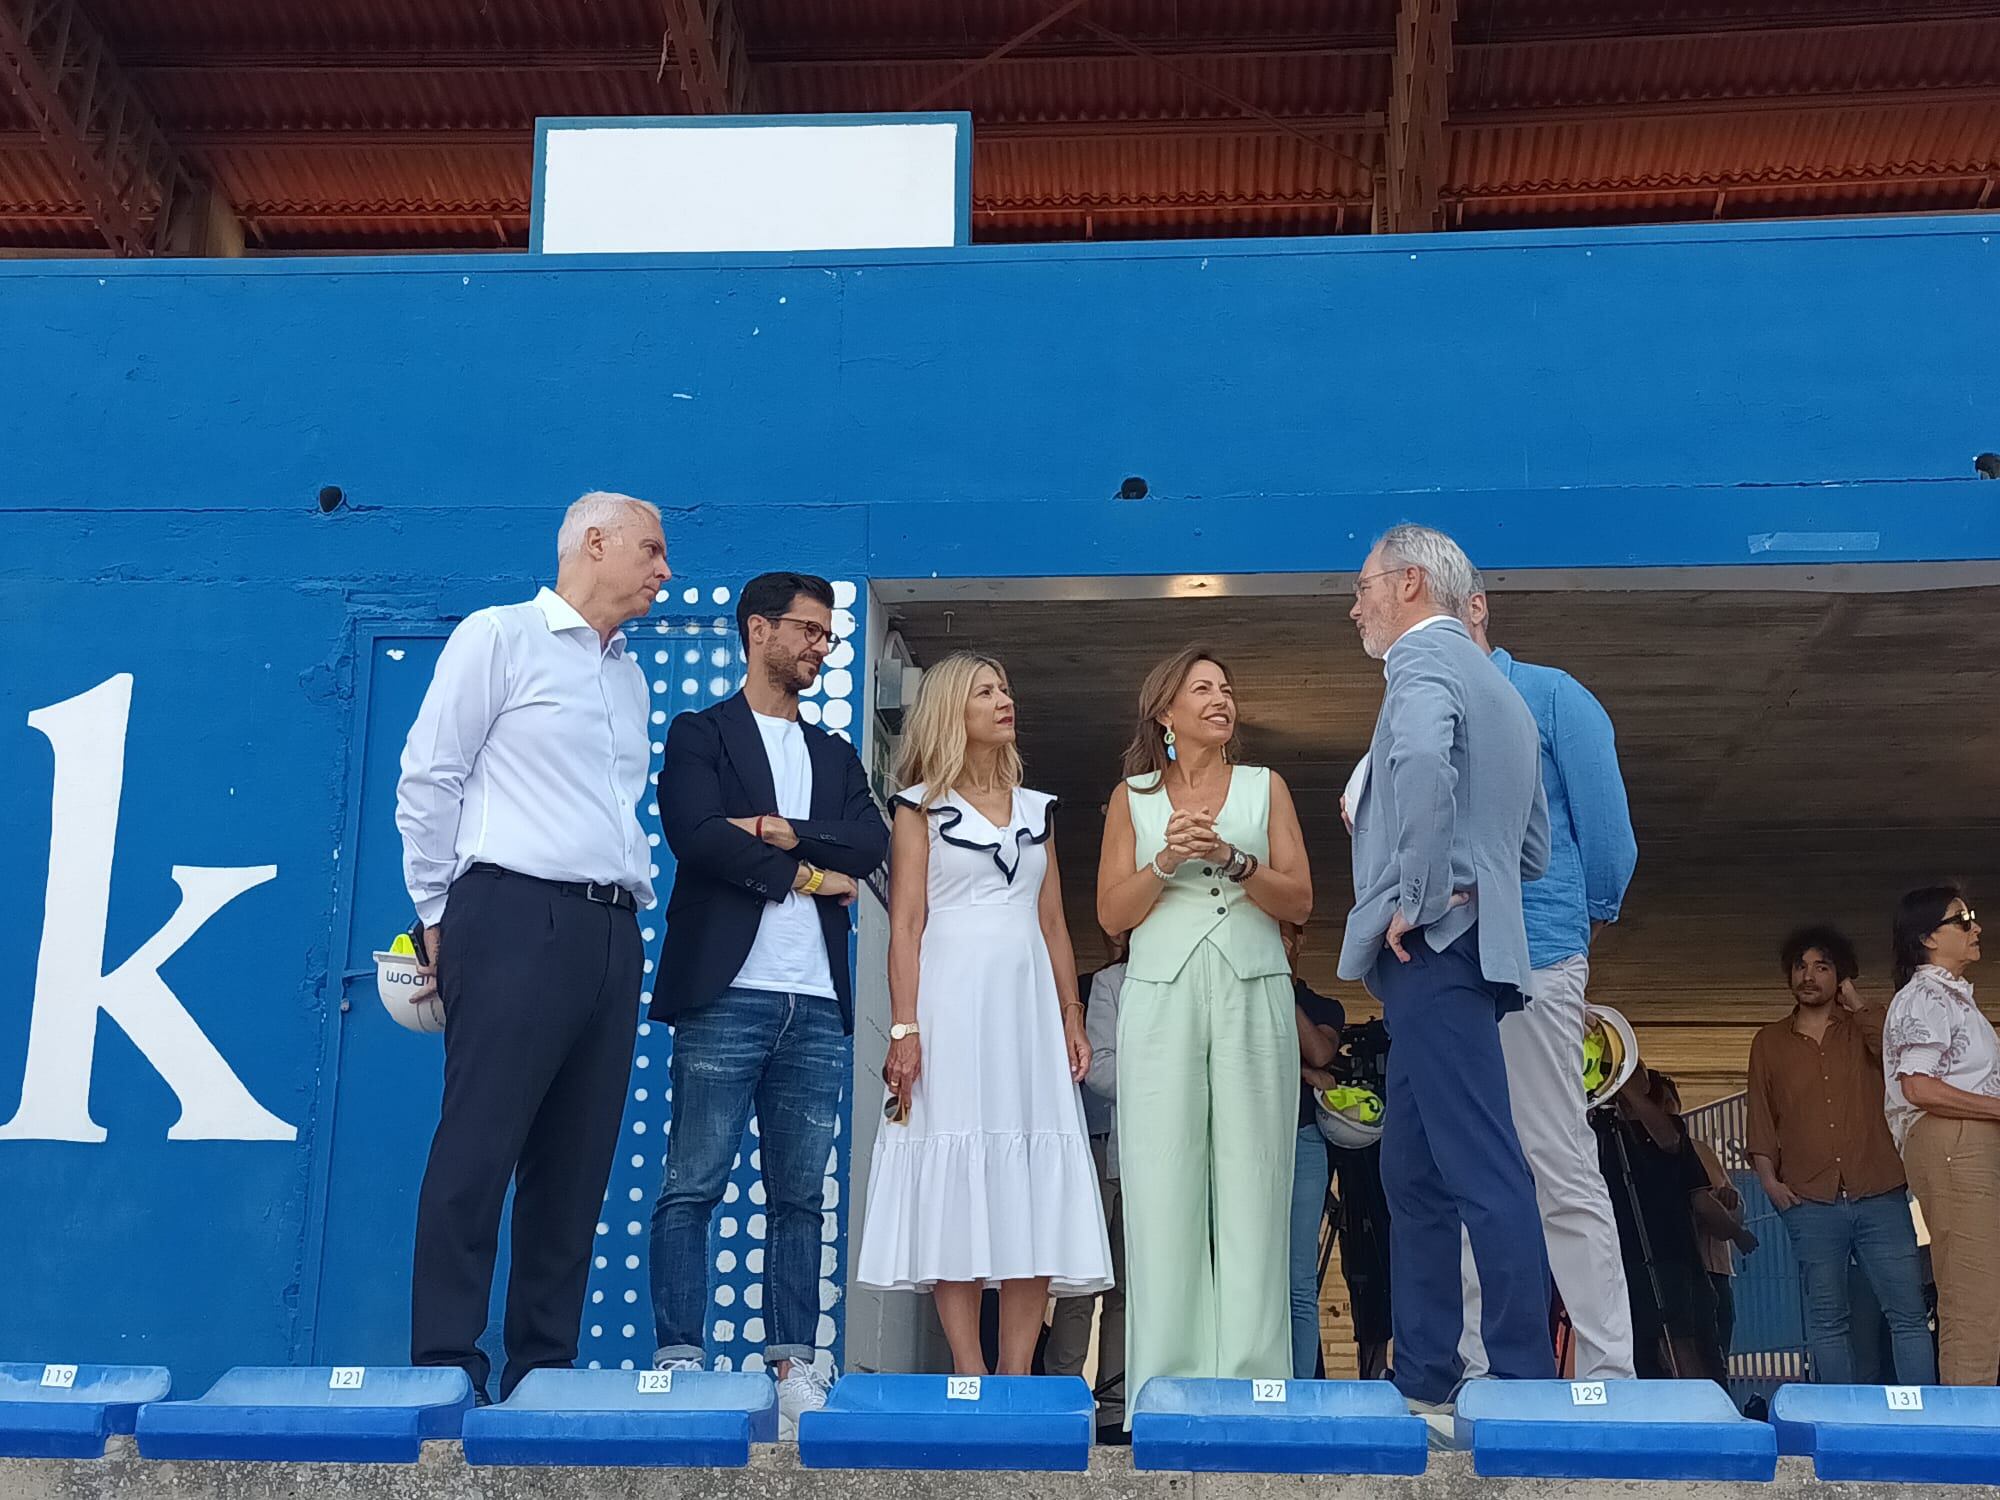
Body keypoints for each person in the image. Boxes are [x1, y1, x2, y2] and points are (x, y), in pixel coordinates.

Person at [397, 490, 670, 1402]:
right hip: (508, 915)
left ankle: (542, 1371)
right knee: (479, 1144)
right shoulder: (499, 636)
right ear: (594, 543)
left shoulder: (628, 674)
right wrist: (438, 910)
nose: (665, 570)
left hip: (611, 930)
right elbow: (429, 776)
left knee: (578, 1162)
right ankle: (444, 1363)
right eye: (651, 549)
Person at [649, 571, 889, 1432]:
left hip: (817, 1002)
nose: (821, 648)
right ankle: (680, 1358)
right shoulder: (701, 732)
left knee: (800, 1194)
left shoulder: (833, 754)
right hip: (726, 993)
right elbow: (697, 836)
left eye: (827, 636)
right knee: (693, 1184)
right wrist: (810, 875)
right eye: (809, 632)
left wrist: (790, 833)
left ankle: (794, 1364)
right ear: (759, 631)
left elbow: (873, 841)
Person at [1337, 523, 1554, 1413]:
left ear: (1412, 585)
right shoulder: (1503, 691)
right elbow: (1532, 847)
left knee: (1481, 1164)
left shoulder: (1421, 665)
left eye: (1363, 587)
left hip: (1432, 950)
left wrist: (1418, 894)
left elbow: (1424, 759)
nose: (1355, 607)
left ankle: (1521, 1379)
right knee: (1413, 1170)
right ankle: (1424, 1371)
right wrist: (1474, 874)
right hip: (1467, 949)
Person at [855, 652, 1112, 1375]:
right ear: (950, 712)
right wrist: (904, 1027)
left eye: (1006, 687)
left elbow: (1055, 922)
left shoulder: (1040, 810)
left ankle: (1014, 1375)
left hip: (1027, 1011)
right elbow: (906, 924)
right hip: (950, 1004)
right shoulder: (916, 808)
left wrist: (1070, 1012)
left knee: (1031, 1171)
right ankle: (969, 1373)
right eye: (986, 692)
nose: (1005, 700)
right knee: (956, 1162)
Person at [1098, 644, 1312, 1421]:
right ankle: (1167, 1383)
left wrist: (1230, 855)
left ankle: (1256, 1380)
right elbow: (1111, 917)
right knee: (1161, 1181)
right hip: (1161, 992)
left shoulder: (1265, 787)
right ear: (1166, 713)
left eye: (1227, 688)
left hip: (1253, 986)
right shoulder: (1133, 797)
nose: (1222, 699)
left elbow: (1300, 902)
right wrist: (1165, 861)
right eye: (1203, 689)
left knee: (1256, 1175)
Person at [1452, 583, 1638, 1383]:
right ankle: (1475, 1363)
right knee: (1467, 1167)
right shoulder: (1420, 710)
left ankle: (1608, 1370)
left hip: (1536, 952)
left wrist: (1574, 927)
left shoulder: (1552, 695)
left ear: (1476, 608)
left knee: (1557, 1158)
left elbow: (1607, 835)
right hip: (1450, 966)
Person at [1747, 925, 1935, 1385]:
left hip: (1880, 1193)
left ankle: (1925, 1424)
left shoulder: (1866, 1028)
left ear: (1841, 976)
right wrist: (1770, 1183)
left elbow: (1898, 1055)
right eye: (1801, 966)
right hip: (1811, 1201)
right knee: (1827, 1322)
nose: (1808, 976)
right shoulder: (1768, 1042)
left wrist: (1855, 999)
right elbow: (1760, 1117)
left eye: (1823, 967)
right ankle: (1838, 1427)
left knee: (1908, 1314)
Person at [1884, 887, 1998, 1385]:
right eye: (1963, 919)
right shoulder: (1926, 996)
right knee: (1973, 1293)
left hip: (1965, 1142)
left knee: (1982, 1289)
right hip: (1954, 1143)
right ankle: (1969, 1437)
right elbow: (1918, 1085)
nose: (1976, 927)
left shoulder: (1946, 997)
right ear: (1928, 937)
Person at [1594, 1069, 1728, 1383]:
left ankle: (1698, 1416)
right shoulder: (1599, 1132)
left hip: (1671, 1254)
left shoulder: (1669, 1128)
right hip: (1619, 1256)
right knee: (1635, 1347)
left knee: (1684, 1344)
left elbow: (1668, 1141)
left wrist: (1626, 1088)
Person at [1046, 932, 1128, 1440]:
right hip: (1098, 1144)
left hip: (1150, 1152)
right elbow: (1098, 1072)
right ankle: (1061, 1399)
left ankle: (1115, 1407)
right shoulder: (1107, 982)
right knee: (1081, 1286)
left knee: (1129, 1290)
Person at [1287, 923, 1346, 1379]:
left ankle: (1300, 1390)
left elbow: (1321, 1053)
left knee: (1298, 1280)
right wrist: (1304, 1074)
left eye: (1285, 936)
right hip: (1241, 1144)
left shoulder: (1322, 1004)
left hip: (1303, 1139)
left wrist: (1279, 986)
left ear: (1301, 941)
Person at [1689, 1133, 1753, 1363]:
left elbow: (1739, 1208)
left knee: (1718, 1353)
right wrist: (1735, 1232)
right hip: (1684, 1269)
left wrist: (1729, 1202)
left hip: (1717, 1269)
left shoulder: (1701, 1150)